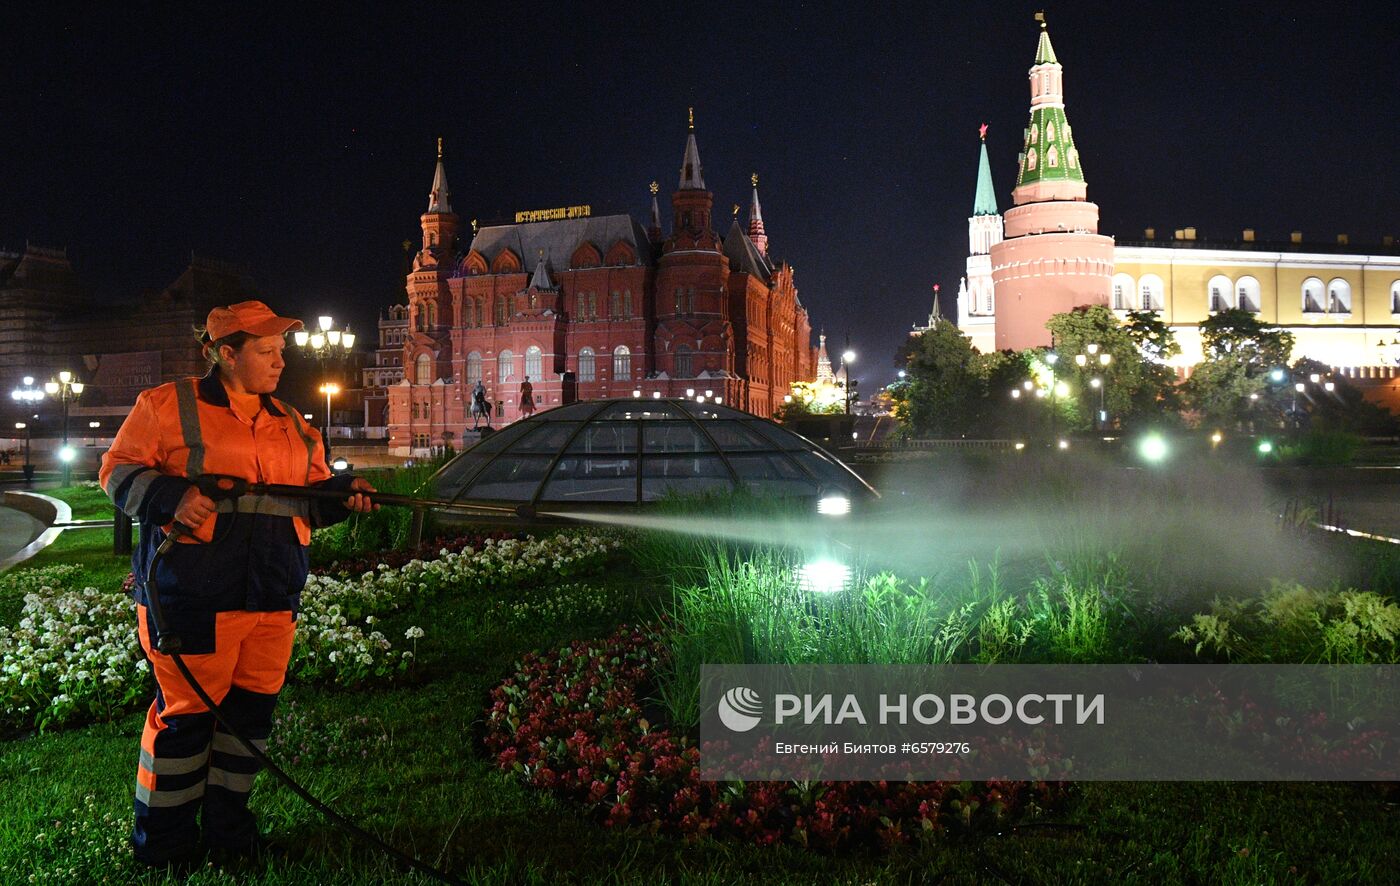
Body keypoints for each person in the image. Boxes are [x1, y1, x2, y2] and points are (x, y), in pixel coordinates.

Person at [99, 300, 378, 870]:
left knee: (248, 725)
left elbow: (312, 500)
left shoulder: (295, 425)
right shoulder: (165, 407)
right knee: (186, 724)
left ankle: (231, 837)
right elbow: (117, 471)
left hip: (273, 600)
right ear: (227, 354)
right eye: (267, 351)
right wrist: (170, 496)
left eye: (282, 352)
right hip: (192, 601)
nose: (280, 362)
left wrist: (345, 494)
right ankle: (165, 848)